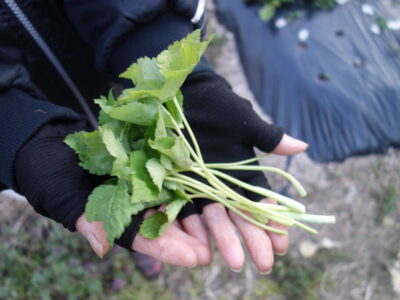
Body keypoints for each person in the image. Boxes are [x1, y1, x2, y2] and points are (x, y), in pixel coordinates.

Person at [0, 0, 307, 275]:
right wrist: (14, 137)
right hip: (24, 115)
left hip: (104, 55)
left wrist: (158, 41)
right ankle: (127, 237)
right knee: (74, 188)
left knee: (123, 132)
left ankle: (132, 228)